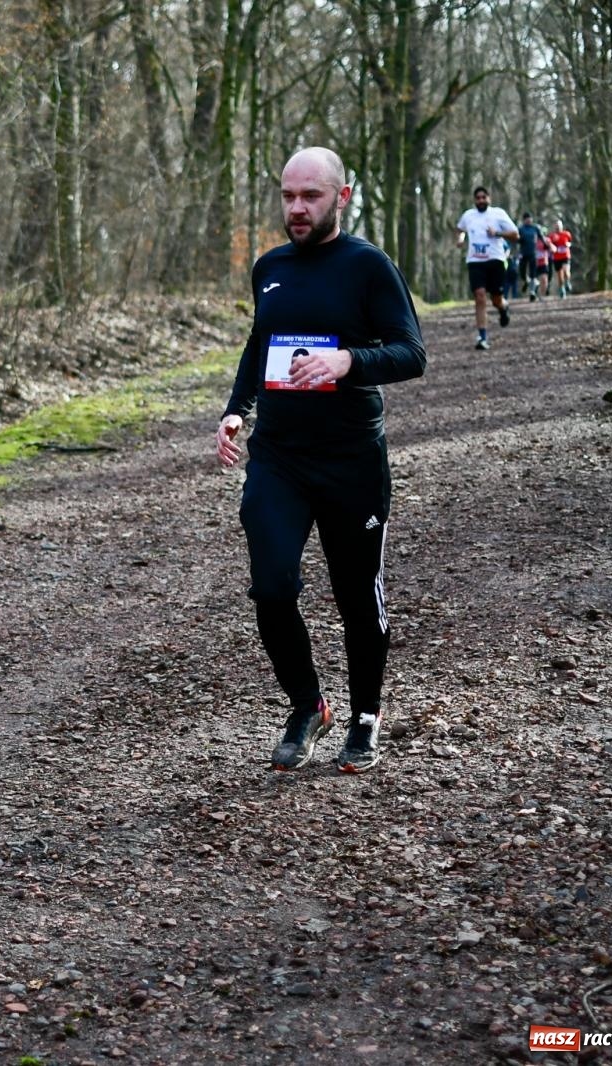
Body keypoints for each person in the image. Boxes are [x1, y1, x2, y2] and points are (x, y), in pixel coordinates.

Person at [215, 146, 426, 775]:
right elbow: (261, 342)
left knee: (356, 595)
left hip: (350, 459)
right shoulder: (269, 267)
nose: (297, 208)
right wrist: (236, 408)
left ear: (343, 196)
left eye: (310, 196)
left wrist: (348, 362)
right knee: (272, 586)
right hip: (278, 456)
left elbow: (411, 353)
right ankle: (308, 705)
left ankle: (365, 719)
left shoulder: (368, 267)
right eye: (288, 196)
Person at [455, 186, 518, 350]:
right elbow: (460, 229)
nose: (481, 200)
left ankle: (504, 308)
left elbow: (515, 235)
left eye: (484, 197)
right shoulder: (468, 215)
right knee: (480, 296)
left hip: (495, 260)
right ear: (474, 200)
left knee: (496, 299)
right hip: (475, 262)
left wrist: (497, 233)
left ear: (489, 199)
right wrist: (461, 239)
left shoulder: (498, 214)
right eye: (478, 198)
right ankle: (482, 337)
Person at [517, 212, 547, 300]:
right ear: (524, 220)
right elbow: (516, 238)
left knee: (533, 273)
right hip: (523, 253)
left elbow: (542, 237)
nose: (529, 220)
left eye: (530, 218)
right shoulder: (521, 229)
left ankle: (532, 292)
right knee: (522, 273)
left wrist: (546, 244)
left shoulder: (535, 228)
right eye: (526, 219)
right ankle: (527, 281)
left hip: (533, 253)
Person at [548, 217, 575, 297]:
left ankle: (568, 282)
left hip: (566, 256)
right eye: (556, 226)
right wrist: (552, 247)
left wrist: (568, 245)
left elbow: (570, 242)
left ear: (562, 226)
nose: (558, 227)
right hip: (556, 258)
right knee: (560, 275)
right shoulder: (552, 236)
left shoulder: (567, 234)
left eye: (559, 225)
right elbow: (549, 245)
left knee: (566, 271)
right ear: (554, 227)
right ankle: (562, 289)